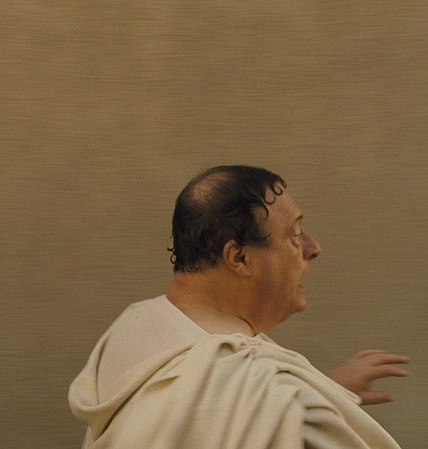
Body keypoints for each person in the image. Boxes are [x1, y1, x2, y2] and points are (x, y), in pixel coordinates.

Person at [68, 165, 410, 448]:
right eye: (295, 234)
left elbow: (191, 415)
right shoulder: (279, 406)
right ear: (240, 257)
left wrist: (326, 388)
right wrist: (312, 403)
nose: (313, 247)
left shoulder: (135, 324)